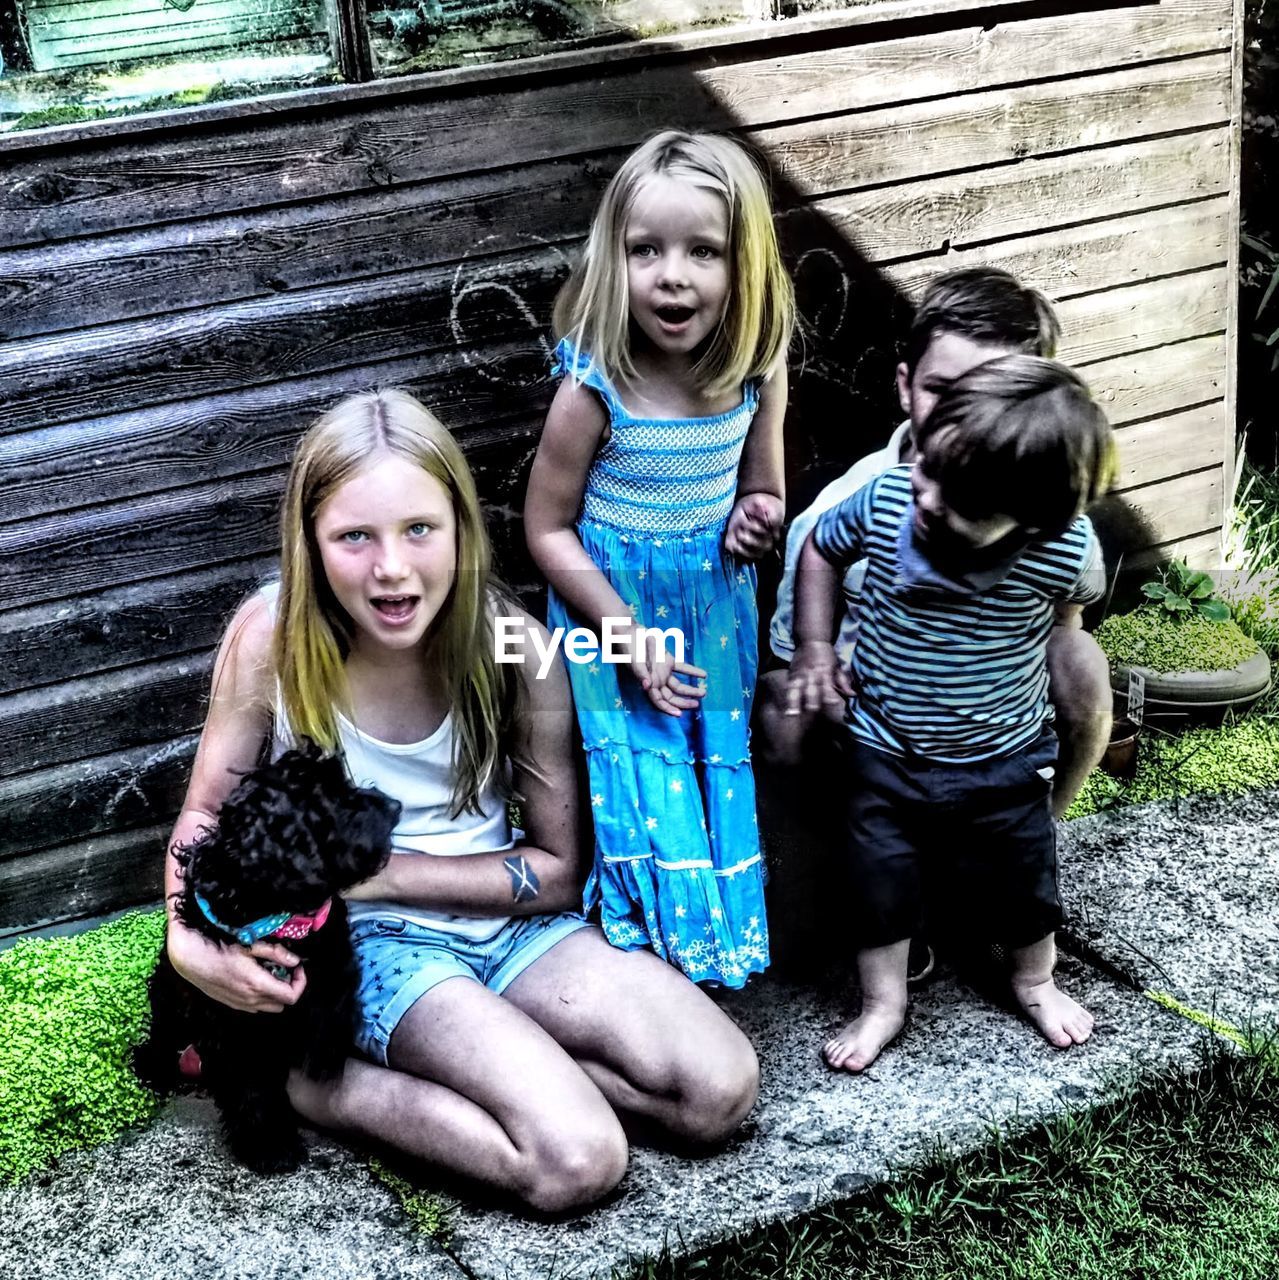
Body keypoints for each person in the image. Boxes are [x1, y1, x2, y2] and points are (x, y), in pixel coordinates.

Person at [163, 390, 759, 1212]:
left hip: (508, 925)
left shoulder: (515, 648)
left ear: (459, 526)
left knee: (719, 1089)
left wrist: (378, 872)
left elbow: (553, 873)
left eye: (418, 529)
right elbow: (203, 814)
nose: (392, 569)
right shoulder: (272, 637)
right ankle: (316, 1086)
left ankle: (510, 1058)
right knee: (578, 1162)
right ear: (310, 543)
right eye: (353, 538)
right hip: (366, 948)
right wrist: (189, 942)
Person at [787, 356, 1114, 1072]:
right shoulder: (885, 500)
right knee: (878, 884)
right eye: (927, 467)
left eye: (957, 499)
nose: (926, 498)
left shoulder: (1061, 550)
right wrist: (814, 648)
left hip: (1003, 754)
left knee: (1026, 879)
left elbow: (1066, 619)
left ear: (1030, 519)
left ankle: (1033, 980)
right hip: (882, 746)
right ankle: (882, 1004)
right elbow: (818, 547)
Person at [525, 130, 795, 987]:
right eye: (646, 249)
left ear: (743, 265)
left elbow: (763, 492)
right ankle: (651, 964)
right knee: (641, 783)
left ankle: (708, 943)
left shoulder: (757, 369)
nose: (670, 274)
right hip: (610, 610)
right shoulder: (593, 387)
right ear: (616, 259)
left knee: (708, 767)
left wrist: (758, 520)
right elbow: (546, 530)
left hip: (713, 608)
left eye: (702, 252)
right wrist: (627, 638)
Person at [760, 268, 1111, 820]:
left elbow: (1063, 622)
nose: (962, 422)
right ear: (905, 386)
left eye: (990, 397)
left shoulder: (1047, 513)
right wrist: (829, 675)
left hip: (994, 713)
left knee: (1084, 661)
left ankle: (1043, 823)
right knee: (782, 706)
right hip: (875, 714)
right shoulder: (844, 509)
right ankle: (821, 847)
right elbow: (796, 653)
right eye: (944, 393)